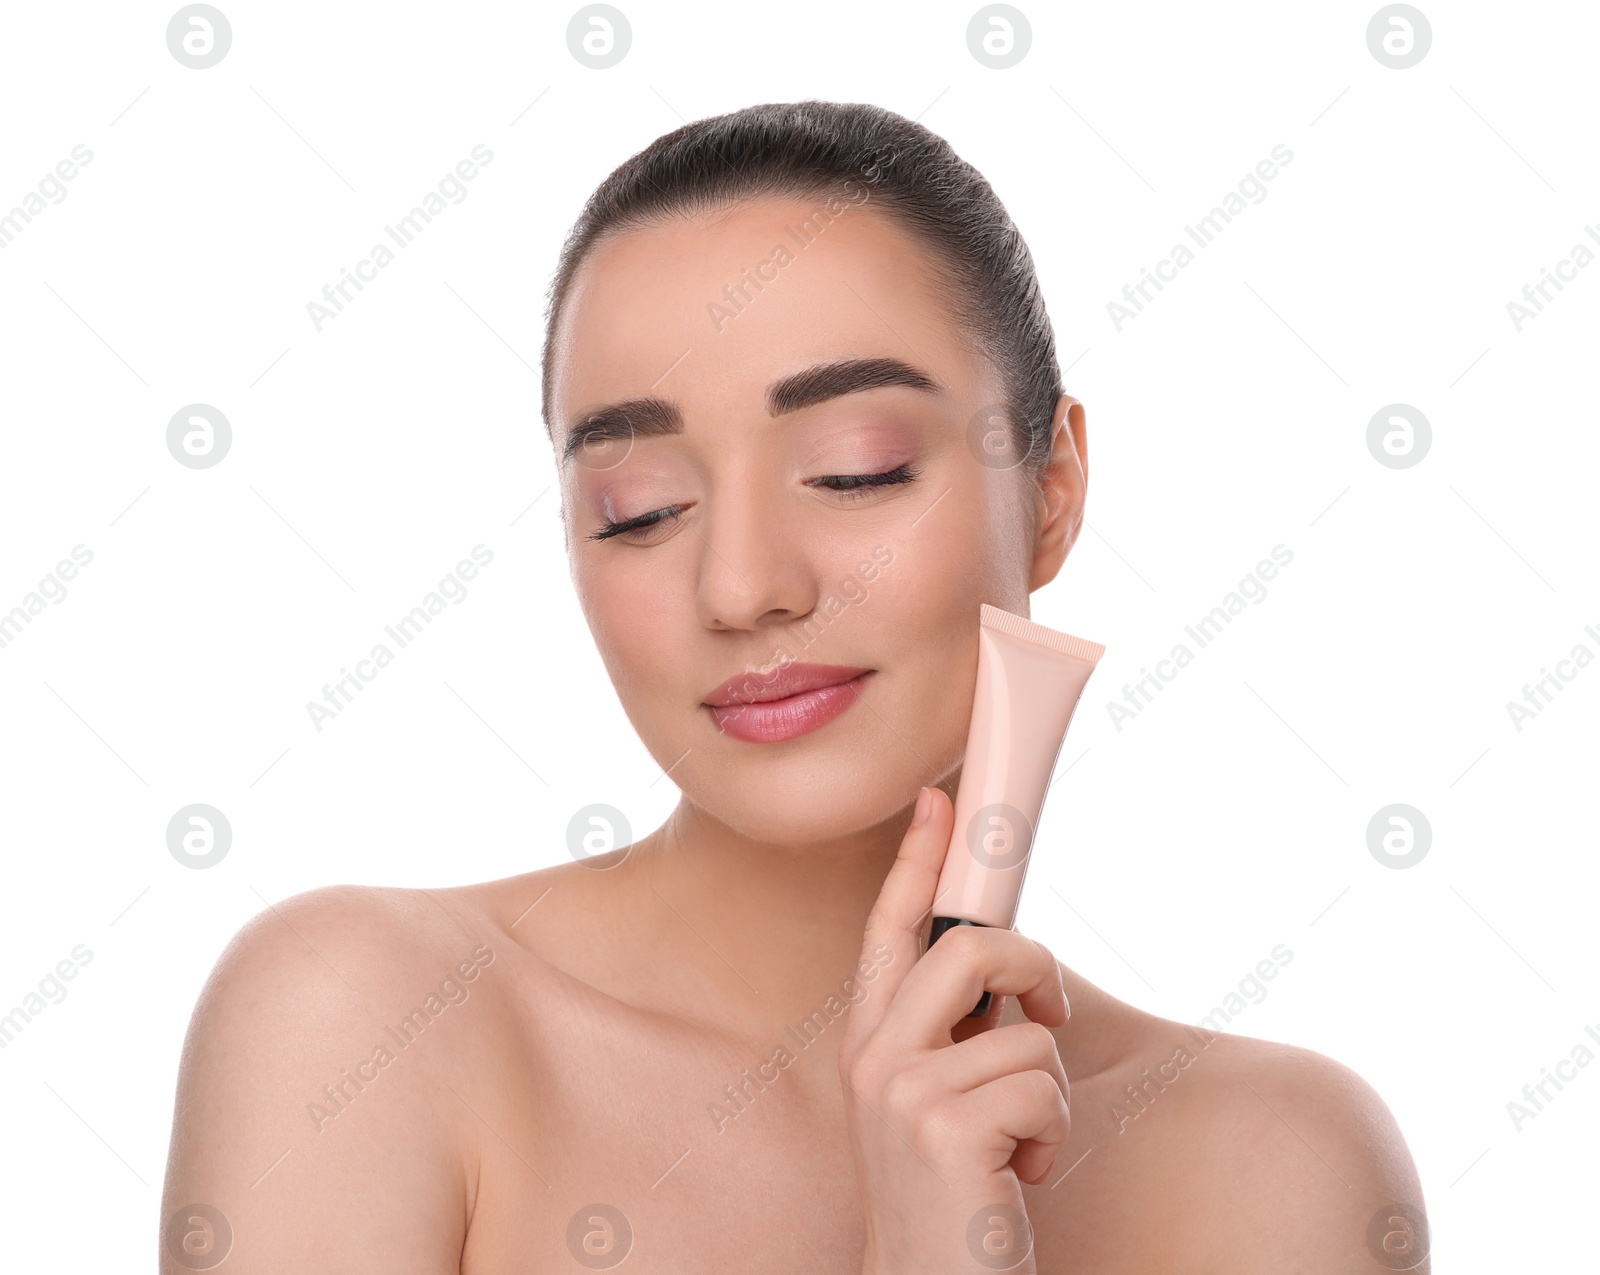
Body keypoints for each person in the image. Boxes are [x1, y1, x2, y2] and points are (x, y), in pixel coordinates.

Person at [160, 100, 1428, 1273]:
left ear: (1050, 491)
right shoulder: (361, 1024)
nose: (742, 586)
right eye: (638, 508)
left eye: (856, 469)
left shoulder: (1275, 1166)